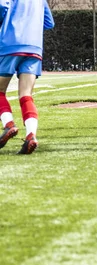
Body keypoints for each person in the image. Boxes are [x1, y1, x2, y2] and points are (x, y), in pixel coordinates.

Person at [0, 0, 54, 155]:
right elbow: (49, 22)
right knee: (26, 95)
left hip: (10, 43)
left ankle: (9, 124)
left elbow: (2, 7)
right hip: (34, 46)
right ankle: (31, 136)